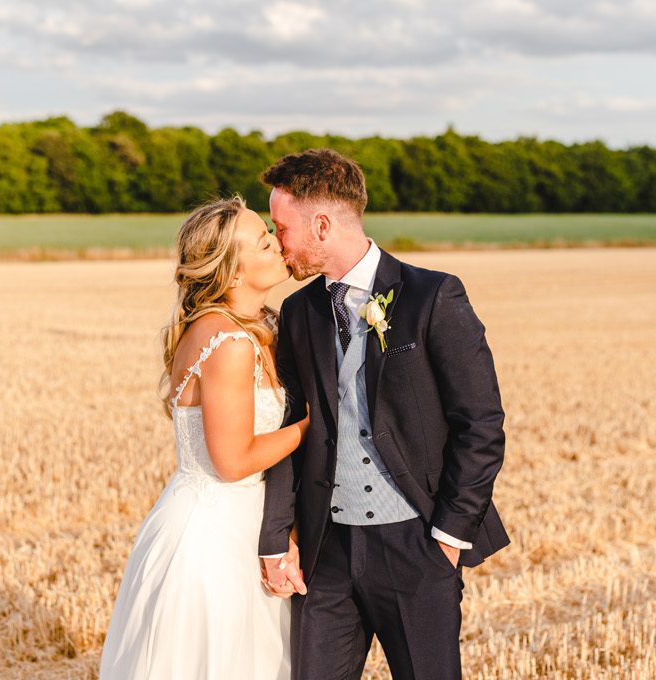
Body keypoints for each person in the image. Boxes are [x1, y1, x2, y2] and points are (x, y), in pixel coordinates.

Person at [257, 148, 510, 679]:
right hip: (327, 550)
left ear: (320, 225)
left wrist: (447, 536)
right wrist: (277, 536)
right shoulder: (299, 313)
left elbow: (480, 423)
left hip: (417, 546)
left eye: (281, 228)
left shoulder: (432, 295)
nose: (276, 244)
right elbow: (290, 426)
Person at [100, 196, 309, 679]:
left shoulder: (243, 328)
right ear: (232, 272)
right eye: (262, 242)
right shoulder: (231, 344)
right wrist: (311, 424)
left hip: (218, 517)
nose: (277, 244)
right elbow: (233, 461)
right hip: (215, 539)